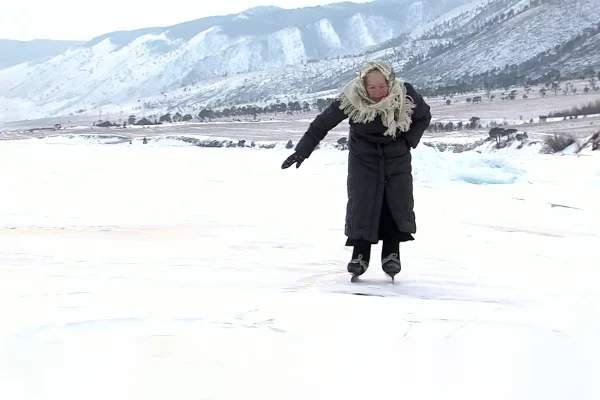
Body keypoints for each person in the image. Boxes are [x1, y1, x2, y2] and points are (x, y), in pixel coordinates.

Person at [281, 60, 432, 280]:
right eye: (372, 87)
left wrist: (407, 141)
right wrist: (302, 151)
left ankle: (392, 254)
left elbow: (423, 116)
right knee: (362, 204)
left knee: (395, 203)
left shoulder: (405, 92)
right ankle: (359, 256)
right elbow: (322, 124)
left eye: (382, 86)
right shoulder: (351, 97)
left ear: (390, 81)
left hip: (396, 157)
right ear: (363, 85)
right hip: (363, 158)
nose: (378, 92)